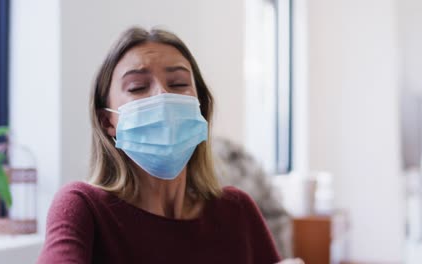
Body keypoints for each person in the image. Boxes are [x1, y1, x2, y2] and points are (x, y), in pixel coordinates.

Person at [37, 27, 281, 264]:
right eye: (137, 87)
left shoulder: (236, 210)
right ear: (107, 122)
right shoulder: (83, 206)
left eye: (178, 84)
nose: (162, 96)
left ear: (201, 109)